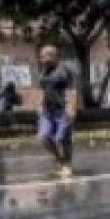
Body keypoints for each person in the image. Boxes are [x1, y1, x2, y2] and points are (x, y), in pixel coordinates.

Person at [37, 45, 77, 178]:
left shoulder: (65, 70)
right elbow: (44, 89)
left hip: (63, 110)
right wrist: (40, 104)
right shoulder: (44, 71)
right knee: (44, 137)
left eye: (44, 56)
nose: (42, 59)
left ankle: (66, 164)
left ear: (53, 56)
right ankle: (58, 158)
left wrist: (71, 108)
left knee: (62, 139)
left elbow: (72, 90)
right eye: (41, 56)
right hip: (48, 112)